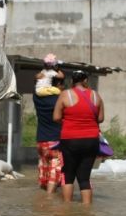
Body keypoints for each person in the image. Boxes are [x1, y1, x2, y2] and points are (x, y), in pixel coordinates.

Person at [53, 70, 103, 204]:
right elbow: (101, 118)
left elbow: (56, 117)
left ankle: (67, 208)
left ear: (71, 81)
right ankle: (87, 211)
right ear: (85, 80)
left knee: (67, 175)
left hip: (69, 140)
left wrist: (69, 122)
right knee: (84, 177)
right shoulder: (95, 96)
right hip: (91, 140)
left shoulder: (65, 95)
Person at [33, 73, 64, 194]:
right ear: (57, 85)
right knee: (55, 171)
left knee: (44, 170)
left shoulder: (37, 98)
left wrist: (42, 77)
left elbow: (36, 86)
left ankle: (42, 202)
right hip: (55, 141)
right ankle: (49, 199)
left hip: (41, 141)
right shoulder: (59, 99)